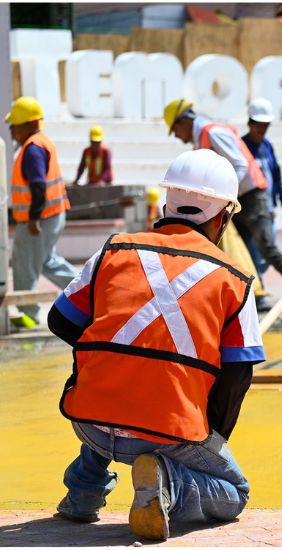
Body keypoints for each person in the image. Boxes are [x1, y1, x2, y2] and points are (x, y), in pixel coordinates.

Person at [48, 149, 265, 541]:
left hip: (89, 421)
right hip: (166, 432)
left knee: (116, 391)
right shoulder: (235, 280)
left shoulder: (112, 250)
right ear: (224, 218)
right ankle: (168, 483)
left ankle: (81, 495)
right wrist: (210, 435)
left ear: (167, 204)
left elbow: (59, 320)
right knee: (236, 493)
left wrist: (107, 358)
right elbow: (237, 376)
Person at [163, 98, 282, 328]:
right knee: (240, 255)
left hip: (252, 196)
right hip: (237, 199)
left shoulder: (213, 132)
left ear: (183, 121)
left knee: (268, 250)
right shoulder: (202, 138)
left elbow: (240, 165)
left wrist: (223, 194)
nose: (176, 136)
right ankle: (250, 304)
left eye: (175, 129)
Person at [5, 96, 78, 325]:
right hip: (51, 215)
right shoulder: (40, 142)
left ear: (29, 124)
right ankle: (87, 290)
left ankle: (29, 313)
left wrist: (33, 218)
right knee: (47, 262)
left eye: (15, 125)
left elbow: (38, 186)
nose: (12, 131)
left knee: (25, 262)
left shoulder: (33, 149)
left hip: (38, 219)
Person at [240, 98, 282, 312]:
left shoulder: (268, 146)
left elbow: (276, 174)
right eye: (258, 125)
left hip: (268, 210)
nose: (261, 130)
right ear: (250, 123)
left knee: (265, 257)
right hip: (251, 213)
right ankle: (259, 295)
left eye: (265, 126)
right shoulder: (242, 146)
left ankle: (258, 289)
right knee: (255, 254)